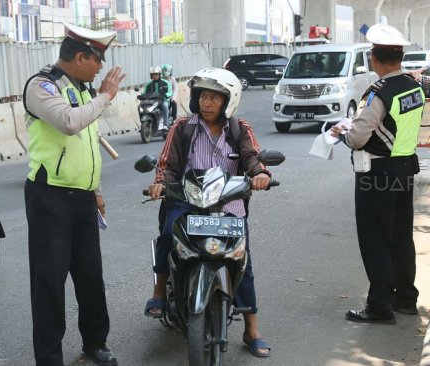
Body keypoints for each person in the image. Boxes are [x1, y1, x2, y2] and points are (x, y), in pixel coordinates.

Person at [145, 67, 273, 358]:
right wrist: (160, 184)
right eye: (203, 96)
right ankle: (159, 293)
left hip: (228, 204)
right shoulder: (183, 127)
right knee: (168, 234)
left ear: (229, 100)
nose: (207, 103)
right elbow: (167, 164)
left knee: (242, 260)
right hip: (187, 201)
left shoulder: (240, 130)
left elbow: (252, 158)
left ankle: (251, 329)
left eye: (215, 98)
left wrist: (260, 174)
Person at [22, 22, 126, 366]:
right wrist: (105, 97)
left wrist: (95, 191)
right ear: (80, 56)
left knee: (90, 276)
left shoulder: (83, 89)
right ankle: (49, 357)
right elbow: (69, 123)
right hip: (49, 198)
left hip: (81, 198)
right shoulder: (42, 86)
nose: (101, 67)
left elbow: (86, 145)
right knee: (49, 282)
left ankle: (95, 343)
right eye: (97, 59)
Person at [330, 23, 424, 324]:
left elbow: (358, 138)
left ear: (374, 58)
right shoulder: (413, 86)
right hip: (405, 167)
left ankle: (380, 307)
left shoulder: (378, 93)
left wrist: (342, 132)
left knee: (376, 240)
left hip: (377, 174)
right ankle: (406, 298)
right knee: (400, 236)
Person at [142, 66, 172, 130]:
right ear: (151, 76)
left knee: (165, 105)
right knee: (141, 107)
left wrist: (165, 94)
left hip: (162, 101)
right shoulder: (148, 84)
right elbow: (144, 92)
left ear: (159, 74)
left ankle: (165, 124)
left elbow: (170, 92)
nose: (155, 76)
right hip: (151, 102)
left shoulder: (166, 83)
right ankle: (144, 124)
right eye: (153, 74)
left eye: (156, 74)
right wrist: (141, 96)